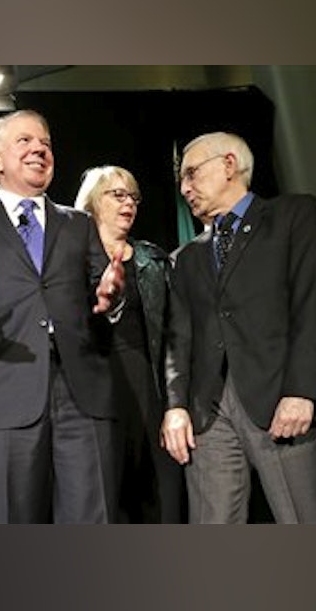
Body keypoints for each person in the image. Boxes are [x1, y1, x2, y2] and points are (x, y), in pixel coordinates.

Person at [0, 109, 126, 523]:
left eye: (46, 143)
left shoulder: (79, 223)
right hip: (4, 391)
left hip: (81, 392)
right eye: (25, 141)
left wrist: (113, 295)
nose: (39, 149)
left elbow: (102, 285)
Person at [160, 131, 316, 523]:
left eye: (192, 174)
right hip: (208, 414)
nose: (185, 188)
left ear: (228, 165)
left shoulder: (294, 215)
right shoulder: (185, 258)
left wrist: (302, 391)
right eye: (181, 181)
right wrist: (176, 407)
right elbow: (179, 339)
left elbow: (315, 303)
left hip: (279, 399)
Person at [74, 165, 185, 523]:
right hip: (94, 395)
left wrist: (175, 404)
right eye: (117, 194)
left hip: (147, 391)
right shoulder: (67, 260)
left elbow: (173, 336)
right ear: (92, 203)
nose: (129, 203)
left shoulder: (152, 259)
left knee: (162, 504)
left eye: (134, 197)